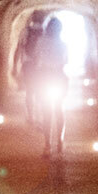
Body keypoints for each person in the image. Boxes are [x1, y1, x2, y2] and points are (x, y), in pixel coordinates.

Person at [25, 19, 69, 157]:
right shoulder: (63, 44)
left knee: (47, 112)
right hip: (58, 76)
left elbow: (36, 57)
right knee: (59, 109)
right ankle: (59, 141)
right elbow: (65, 61)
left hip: (45, 76)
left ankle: (48, 145)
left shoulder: (41, 42)